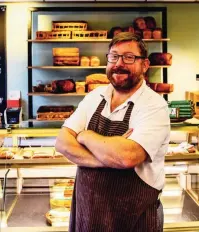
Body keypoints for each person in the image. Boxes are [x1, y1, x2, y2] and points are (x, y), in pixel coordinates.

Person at [55, 32, 170, 232]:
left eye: (129, 57)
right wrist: (107, 158)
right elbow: (63, 143)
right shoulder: (95, 96)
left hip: (135, 221)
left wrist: (85, 136)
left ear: (145, 65)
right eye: (113, 57)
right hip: (88, 217)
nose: (119, 64)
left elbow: (126, 157)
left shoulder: (154, 106)